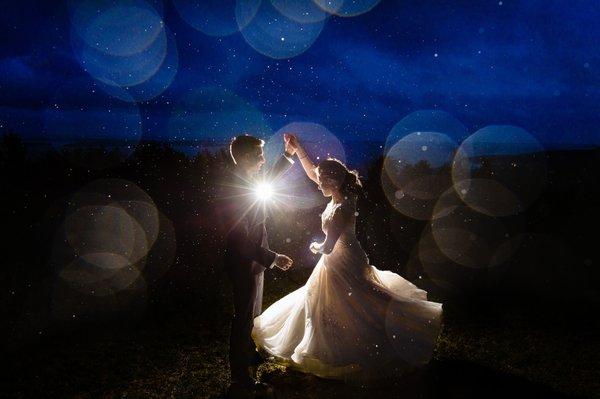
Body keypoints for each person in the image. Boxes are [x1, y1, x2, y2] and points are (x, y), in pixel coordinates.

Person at [251, 134, 444, 381]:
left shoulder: (342, 208)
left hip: (341, 259)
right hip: (343, 255)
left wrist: (315, 247)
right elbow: (313, 173)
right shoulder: (340, 195)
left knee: (356, 300)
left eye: (322, 182)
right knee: (338, 300)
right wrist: (298, 149)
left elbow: (329, 247)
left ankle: (374, 337)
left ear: (332, 182)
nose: (317, 185)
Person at [219, 134, 296, 398]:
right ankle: (241, 379)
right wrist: (273, 258)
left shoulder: (248, 180)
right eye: (259, 155)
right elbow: (240, 241)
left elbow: (269, 179)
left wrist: (287, 156)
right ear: (245, 157)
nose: (263, 160)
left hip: (253, 265)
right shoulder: (233, 188)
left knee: (250, 319)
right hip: (244, 265)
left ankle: (249, 367)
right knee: (243, 321)